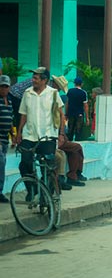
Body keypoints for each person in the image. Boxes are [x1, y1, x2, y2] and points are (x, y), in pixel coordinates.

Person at [14, 67, 72, 191]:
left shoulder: (53, 93)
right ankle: (32, 189)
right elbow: (23, 115)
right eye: (33, 77)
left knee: (48, 166)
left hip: (48, 136)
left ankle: (48, 193)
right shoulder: (27, 93)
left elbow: (61, 115)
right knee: (25, 164)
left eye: (36, 78)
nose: (33, 80)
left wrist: (61, 134)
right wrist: (19, 133)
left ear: (44, 80)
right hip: (29, 135)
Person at [0, 74, 14, 202]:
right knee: (1, 163)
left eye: (6, 87)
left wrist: (13, 135)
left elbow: (10, 120)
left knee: (2, 165)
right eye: (2, 86)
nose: (4, 89)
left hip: (5, 139)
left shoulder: (9, 101)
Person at [65, 77, 89, 141]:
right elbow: (85, 106)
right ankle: (77, 144)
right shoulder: (83, 93)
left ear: (74, 83)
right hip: (79, 114)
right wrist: (87, 118)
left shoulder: (70, 91)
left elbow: (67, 103)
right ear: (81, 84)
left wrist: (66, 114)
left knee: (70, 130)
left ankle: (69, 144)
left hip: (71, 114)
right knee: (78, 131)